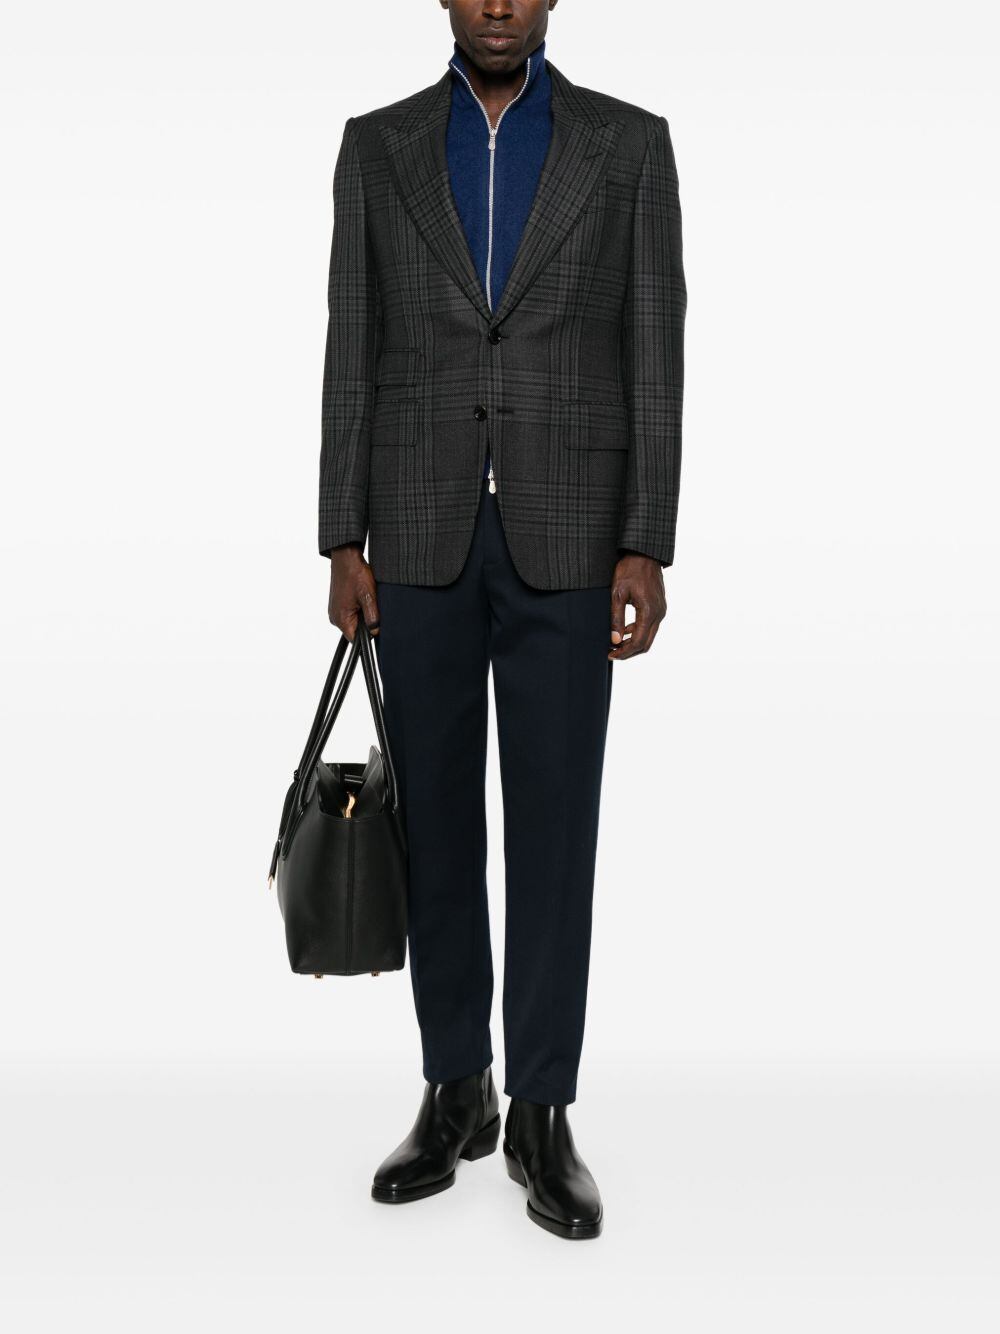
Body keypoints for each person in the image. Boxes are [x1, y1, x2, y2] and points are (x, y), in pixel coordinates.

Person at [320, 0, 685, 1240]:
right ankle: (454, 1086)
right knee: (433, 821)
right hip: (416, 527)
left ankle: (540, 1107)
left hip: (570, 527)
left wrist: (644, 537)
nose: (497, 5)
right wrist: (341, 534)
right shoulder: (376, 146)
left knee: (554, 827)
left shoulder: (628, 146)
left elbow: (653, 348)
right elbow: (352, 345)